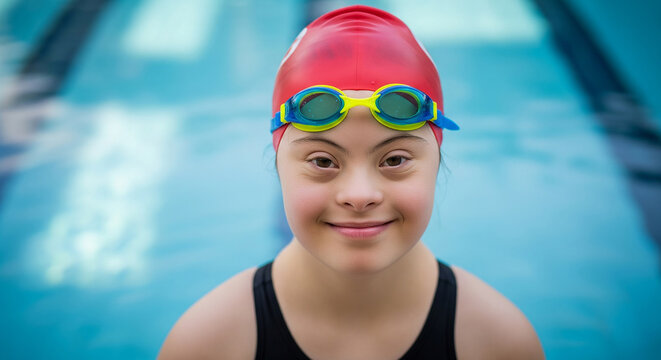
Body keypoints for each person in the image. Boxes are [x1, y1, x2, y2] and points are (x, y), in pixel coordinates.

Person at [158, 5, 544, 359]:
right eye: (323, 160)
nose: (359, 196)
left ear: (437, 162)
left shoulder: (498, 342)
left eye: (394, 159)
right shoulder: (208, 344)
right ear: (278, 166)